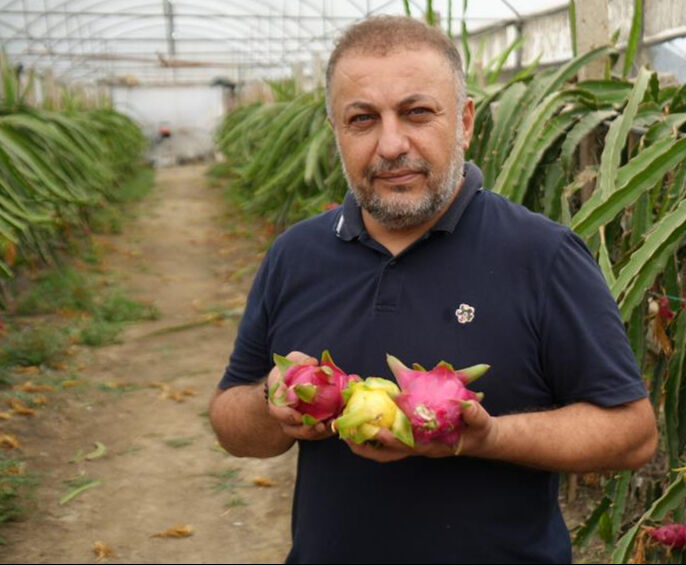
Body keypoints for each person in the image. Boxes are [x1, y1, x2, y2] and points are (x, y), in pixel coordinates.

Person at [210, 15, 657, 564]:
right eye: (362, 119)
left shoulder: (542, 256)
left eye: (417, 113)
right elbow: (230, 424)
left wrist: (484, 437)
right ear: (337, 133)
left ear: (465, 123)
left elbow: (633, 434)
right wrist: (274, 402)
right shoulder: (295, 255)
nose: (391, 144)